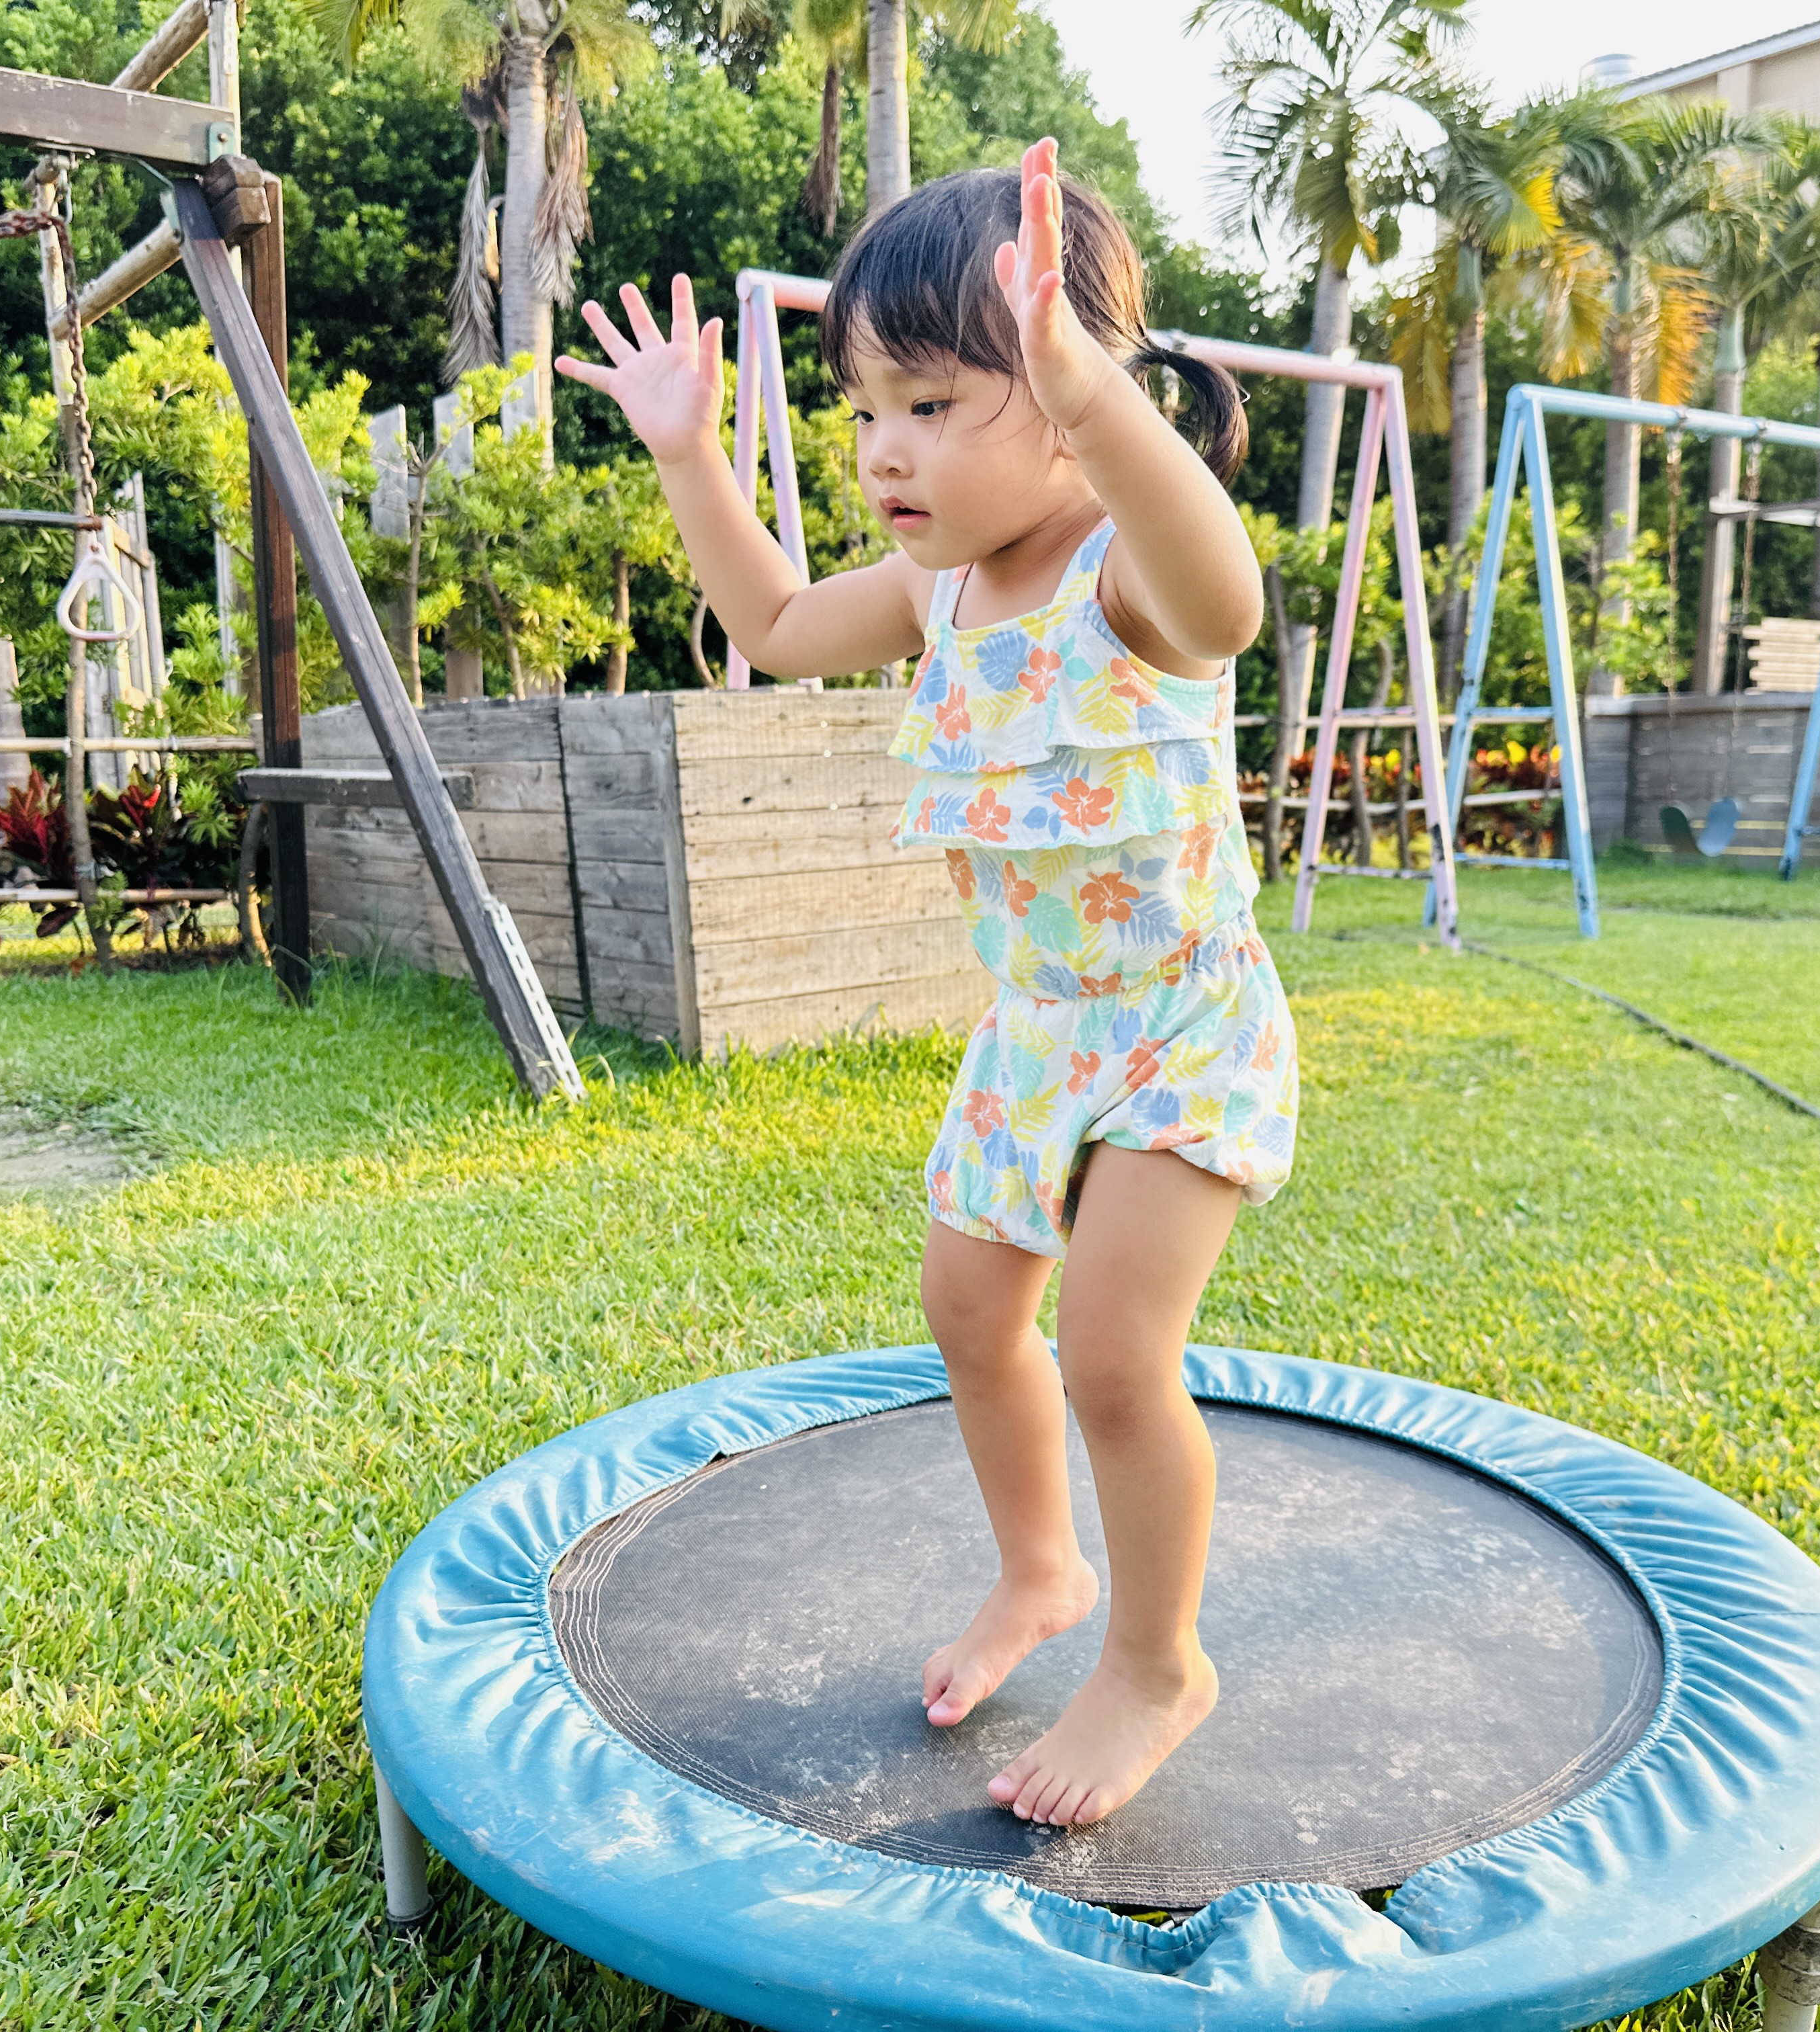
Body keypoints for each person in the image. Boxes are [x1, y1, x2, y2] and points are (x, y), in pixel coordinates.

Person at [557, 139, 1297, 1829]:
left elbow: (1233, 603)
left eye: (937, 404)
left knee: (1114, 1350)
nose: (886, 450)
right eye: (867, 407)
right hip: (1038, 1036)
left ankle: (1158, 1661)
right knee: (971, 1315)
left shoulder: (1126, 569)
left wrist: (1097, 399)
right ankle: (1044, 1573)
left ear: (1065, 392)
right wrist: (686, 450)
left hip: (1179, 1022)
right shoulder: (937, 587)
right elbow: (772, 619)